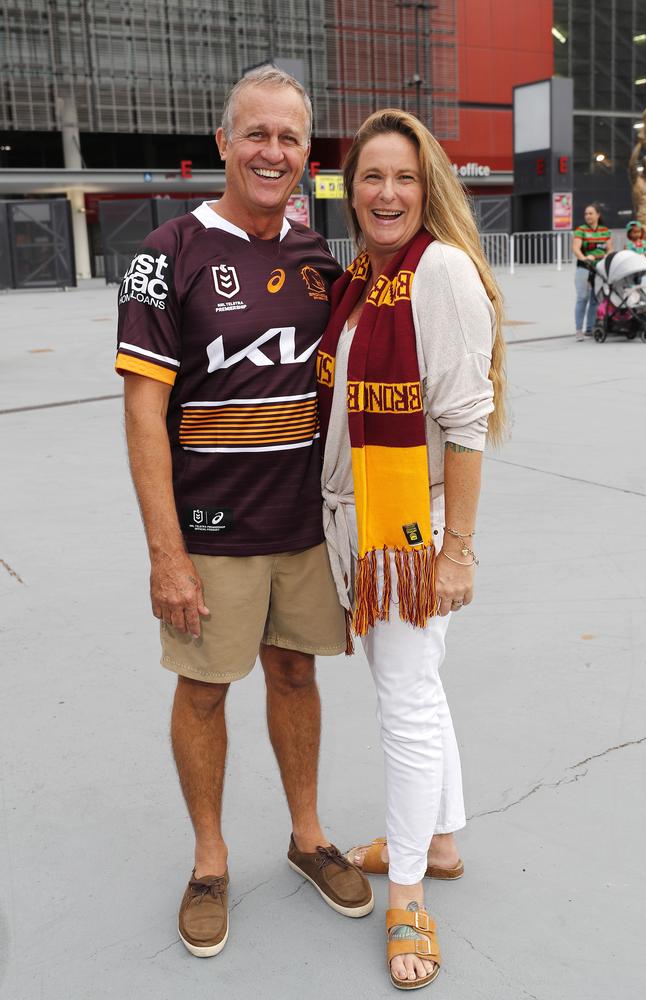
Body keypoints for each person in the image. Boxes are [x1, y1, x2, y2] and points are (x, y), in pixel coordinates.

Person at [115, 66, 373, 960]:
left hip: (303, 529)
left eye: (289, 138)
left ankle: (306, 838)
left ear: (309, 156)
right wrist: (166, 554)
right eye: (255, 134)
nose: (272, 152)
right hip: (211, 534)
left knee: (297, 678)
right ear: (224, 143)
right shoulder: (166, 251)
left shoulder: (319, 260)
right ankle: (211, 861)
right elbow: (144, 410)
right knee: (203, 688)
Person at [317, 109, 506, 990]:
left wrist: (456, 551)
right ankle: (437, 839)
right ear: (349, 190)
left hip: (410, 526)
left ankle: (405, 896)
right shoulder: (364, 278)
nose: (386, 194)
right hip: (369, 517)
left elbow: (467, 426)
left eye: (403, 178)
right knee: (419, 688)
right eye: (370, 178)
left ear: (427, 186)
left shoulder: (442, 274)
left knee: (405, 705)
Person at [572, 204, 612, 340]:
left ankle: (590, 328)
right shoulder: (581, 230)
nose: (588, 216)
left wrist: (608, 256)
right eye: (586, 214)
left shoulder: (605, 231)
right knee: (582, 298)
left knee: (595, 299)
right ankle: (579, 330)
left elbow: (609, 249)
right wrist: (584, 258)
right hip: (584, 267)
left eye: (590, 213)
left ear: (598, 215)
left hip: (599, 269)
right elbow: (576, 248)